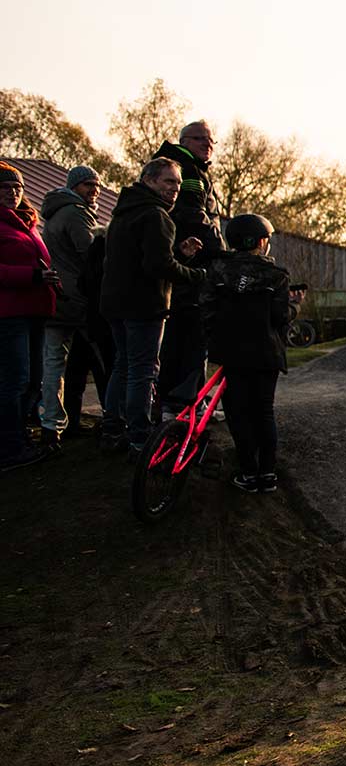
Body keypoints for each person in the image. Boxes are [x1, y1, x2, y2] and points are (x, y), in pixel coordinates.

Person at [100, 158, 204, 451]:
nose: (174, 189)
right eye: (168, 182)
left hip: (115, 302)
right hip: (144, 306)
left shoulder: (123, 213)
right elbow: (157, 266)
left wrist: (178, 255)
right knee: (143, 370)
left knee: (123, 365)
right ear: (148, 180)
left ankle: (112, 426)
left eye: (178, 184)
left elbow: (142, 261)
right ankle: (139, 436)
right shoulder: (156, 216)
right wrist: (197, 275)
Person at [203, 214, 299, 492]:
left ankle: (247, 472)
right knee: (263, 411)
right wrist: (296, 307)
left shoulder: (218, 270)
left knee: (238, 413)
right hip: (265, 353)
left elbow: (207, 309)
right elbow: (280, 317)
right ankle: (267, 473)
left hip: (232, 352)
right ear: (260, 242)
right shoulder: (277, 275)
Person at [154, 121, 223, 418]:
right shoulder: (188, 171)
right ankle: (185, 402)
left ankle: (177, 400)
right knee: (191, 334)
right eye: (200, 139)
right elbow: (195, 215)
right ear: (185, 140)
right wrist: (220, 252)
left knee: (179, 336)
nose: (207, 145)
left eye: (211, 141)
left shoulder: (186, 167)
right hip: (193, 263)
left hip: (183, 262)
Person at [38, 165, 107, 448]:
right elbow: (90, 255)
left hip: (57, 299)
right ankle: (115, 418)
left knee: (55, 364)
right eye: (88, 185)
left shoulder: (53, 215)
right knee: (106, 359)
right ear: (74, 187)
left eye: (97, 185)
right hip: (79, 300)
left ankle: (51, 424)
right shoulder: (76, 214)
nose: (94, 190)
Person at [1, 162, 60, 470]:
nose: (13, 192)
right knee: (14, 380)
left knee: (31, 380)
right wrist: (33, 276)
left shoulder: (26, 223)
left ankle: (19, 438)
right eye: (6, 188)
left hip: (35, 310)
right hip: (9, 313)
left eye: (17, 187)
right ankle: (8, 448)